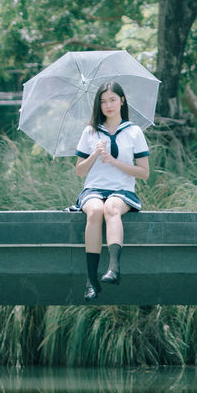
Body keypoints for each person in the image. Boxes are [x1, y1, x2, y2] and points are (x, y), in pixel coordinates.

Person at [75, 81, 150, 302]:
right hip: (93, 189)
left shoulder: (134, 131)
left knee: (111, 207)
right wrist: (94, 155)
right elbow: (80, 171)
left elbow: (144, 173)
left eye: (113, 100)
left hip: (122, 190)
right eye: (103, 101)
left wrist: (114, 162)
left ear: (122, 101)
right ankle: (91, 281)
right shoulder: (90, 131)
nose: (108, 105)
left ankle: (114, 268)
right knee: (95, 210)